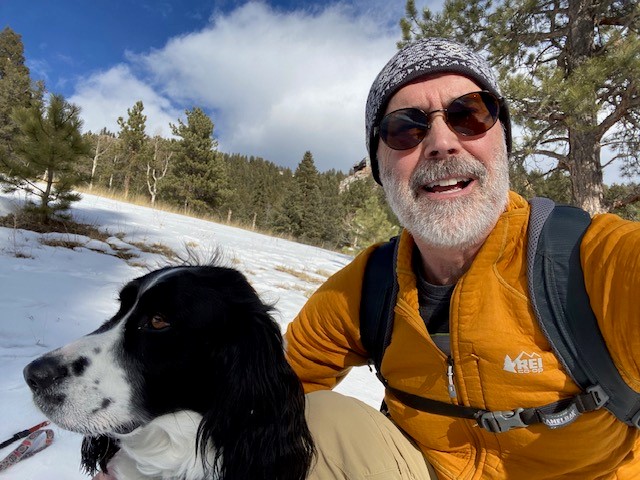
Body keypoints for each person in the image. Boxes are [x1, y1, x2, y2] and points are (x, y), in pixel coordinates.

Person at [284, 37, 640, 479]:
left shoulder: (586, 262)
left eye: (469, 114)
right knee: (317, 421)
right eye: (405, 128)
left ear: (502, 141)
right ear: (378, 167)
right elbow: (273, 387)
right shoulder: (368, 285)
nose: (441, 142)